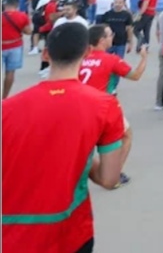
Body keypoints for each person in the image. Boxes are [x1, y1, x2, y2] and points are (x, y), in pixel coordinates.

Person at [2, 23, 131, 253]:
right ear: (87, 53)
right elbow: (109, 179)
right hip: (70, 231)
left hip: (11, 234)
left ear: (45, 54)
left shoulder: (6, 109)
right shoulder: (104, 106)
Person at [81, 25, 149, 95]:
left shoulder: (79, 59)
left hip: (80, 99)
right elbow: (135, 76)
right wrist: (144, 58)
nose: (113, 37)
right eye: (111, 35)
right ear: (102, 40)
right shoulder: (111, 59)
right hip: (102, 99)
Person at [2, 0, 32, 99]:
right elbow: (28, 32)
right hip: (15, 46)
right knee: (10, 72)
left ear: (5, 5)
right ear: (17, 5)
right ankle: (4, 98)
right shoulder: (22, 16)